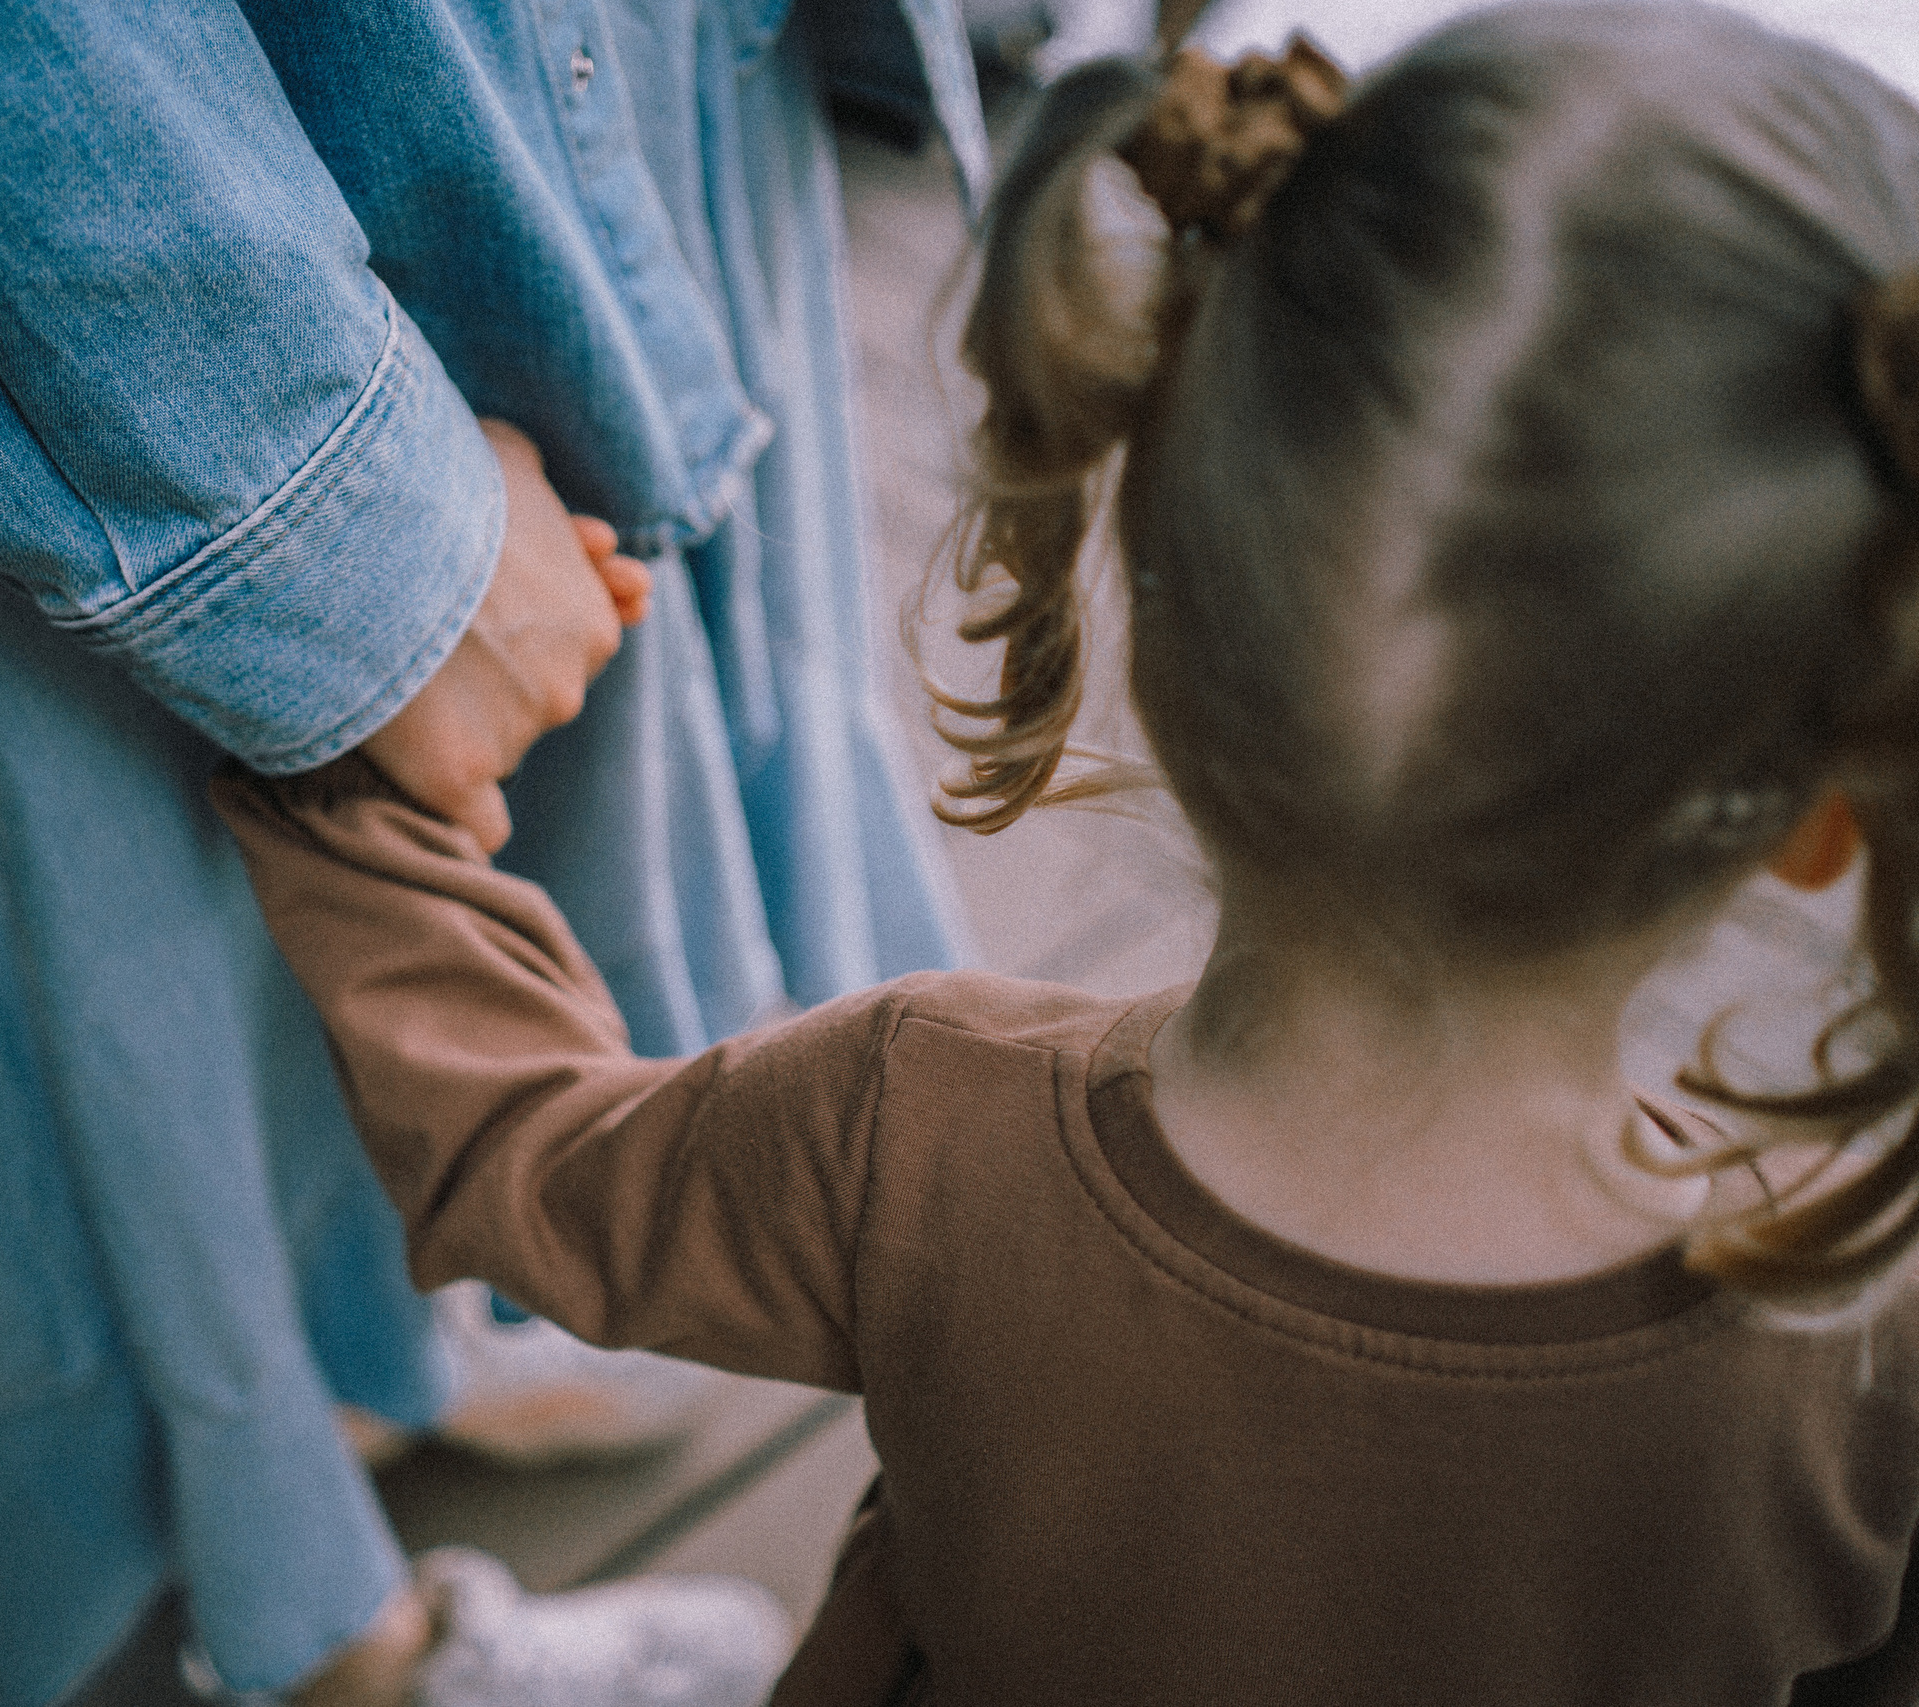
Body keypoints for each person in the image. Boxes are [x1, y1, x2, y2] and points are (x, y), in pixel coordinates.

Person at [211, 4, 1919, 1699]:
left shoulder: (920, 1130)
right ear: (1820, 813)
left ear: (1163, 604)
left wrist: (344, 732)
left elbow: (513, 1153)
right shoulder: (1850, 1358)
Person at [0, 1, 985, 1703]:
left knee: (322, 990)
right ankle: (321, 1650)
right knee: (125, 972)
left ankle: (362, 1381)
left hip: (560, 128)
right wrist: (353, 524)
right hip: (100, 287)